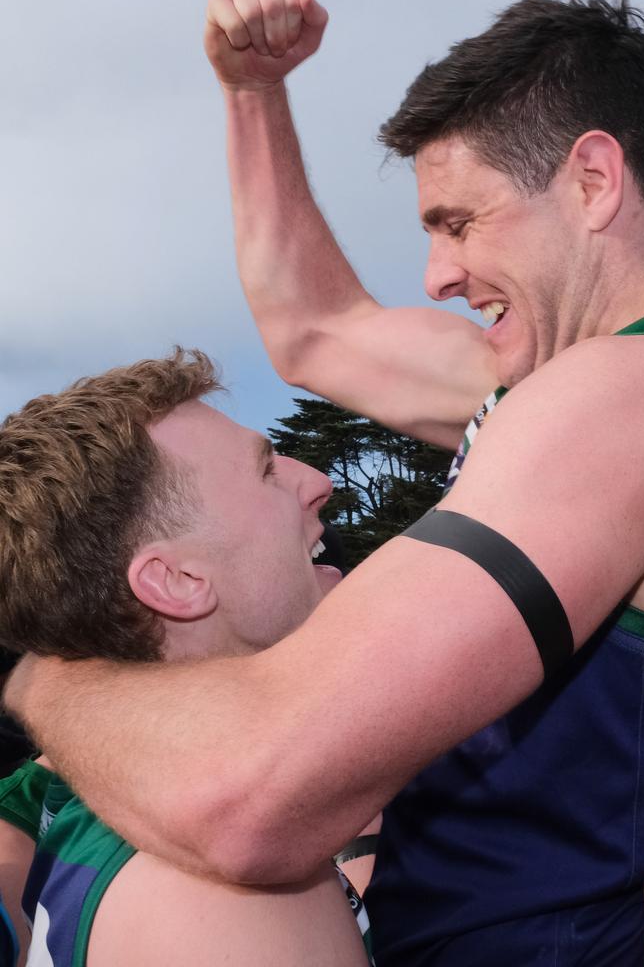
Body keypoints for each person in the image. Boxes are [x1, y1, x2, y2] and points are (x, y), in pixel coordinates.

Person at [5, 0, 644, 967]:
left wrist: (41, 685)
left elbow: (254, 800)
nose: (438, 275)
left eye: (457, 221)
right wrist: (253, 94)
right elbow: (315, 329)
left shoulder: (641, 399)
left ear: (593, 180)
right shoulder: (570, 380)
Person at [0, 349, 373, 966]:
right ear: (175, 580)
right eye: (266, 473)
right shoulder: (227, 890)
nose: (317, 481)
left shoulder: (119, 809)